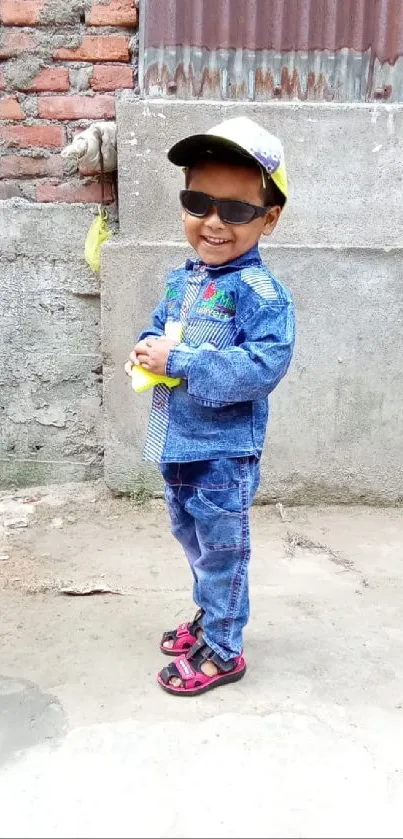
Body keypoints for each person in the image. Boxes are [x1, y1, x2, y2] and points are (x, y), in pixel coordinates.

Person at [128, 116, 295, 696]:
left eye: (237, 210)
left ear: (268, 218)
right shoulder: (183, 279)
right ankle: (210, 617)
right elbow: (164, 328)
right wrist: (149, 347)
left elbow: (263, 367)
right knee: (195, 543)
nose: (214, 222)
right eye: (199, 202)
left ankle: (224, 649)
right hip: (177, 442)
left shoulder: (262, 294)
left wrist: (179, 362)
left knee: (223, 553)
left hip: (224, 456)